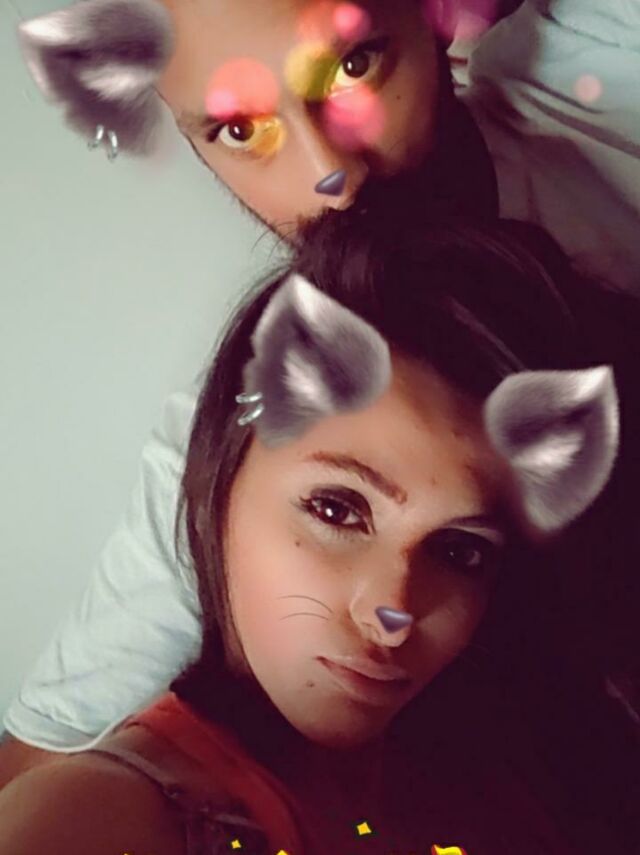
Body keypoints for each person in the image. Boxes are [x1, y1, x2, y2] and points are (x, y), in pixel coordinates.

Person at [3, 0, 640, 777]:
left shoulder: (593, 74)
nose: (331, 176)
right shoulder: (248, 441)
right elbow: (38, 761)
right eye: (239, 130)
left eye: (352, 66)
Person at [0, 207, 638, 854]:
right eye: (337, 509)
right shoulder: (105, 813)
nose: (392, 612)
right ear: (220, 485)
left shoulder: (501, 751)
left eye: (459, 549)